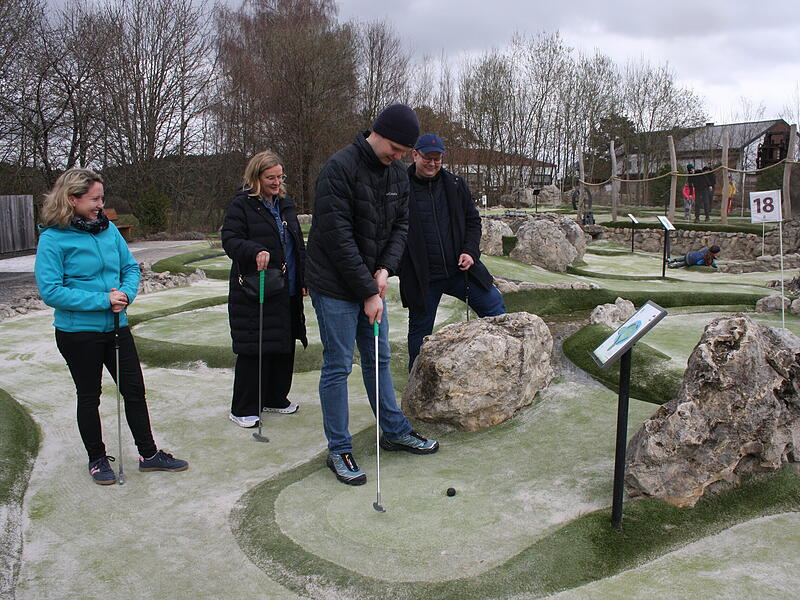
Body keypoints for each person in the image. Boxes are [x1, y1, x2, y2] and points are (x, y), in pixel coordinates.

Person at [305, 103, 439, 486]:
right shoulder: (338, 169)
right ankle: (339, 448)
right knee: (338, 364)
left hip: (371, 282)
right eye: (395, 148)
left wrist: (384, 270)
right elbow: (338, 237)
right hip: (334, 283)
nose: (398, 157)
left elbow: (401, 226)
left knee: (378, 358)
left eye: (403, 152)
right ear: (378, 133)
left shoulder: (396, 174)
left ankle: (394, 431)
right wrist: (367, 290)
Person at [34, 168, 188, 485]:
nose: (100, 205)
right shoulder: (52, 237)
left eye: (101, 198)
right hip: (78, 332)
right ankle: (97, 459)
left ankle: (149, 455)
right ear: (72, 199)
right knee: (89, 396)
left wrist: (126, 295)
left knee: (134, 391)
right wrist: (103, 300)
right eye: (94, 199)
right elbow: (51, 291)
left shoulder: (108, 229)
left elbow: (130, 268)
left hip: (117, 325)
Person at [400, 133, 506, 369]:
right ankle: (416, 381)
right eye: (428, 158)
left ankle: (503, 364)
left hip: (460, 270)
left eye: (437, 159)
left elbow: (473, 222)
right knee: (419, 334)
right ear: (415, 155)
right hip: (422, 277)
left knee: (494, 305)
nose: (432, 163)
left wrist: (470, 252)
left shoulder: (456, 184)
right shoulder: (400, 188)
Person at [221, 150, 307, 428]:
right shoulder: (242, 205)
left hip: (286, 287)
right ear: (256, 177)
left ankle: (274, 397)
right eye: (271, 177)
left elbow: (296, 244)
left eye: (280, 177)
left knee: (284, 344)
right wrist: (254, 249)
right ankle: (243, 407)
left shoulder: (285, 204)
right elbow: (230, 240)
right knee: (254, 347)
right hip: (255, 288)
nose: (276, 182)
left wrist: (303, 278)